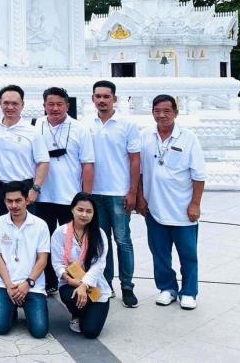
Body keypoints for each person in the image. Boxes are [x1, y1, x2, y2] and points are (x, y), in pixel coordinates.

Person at [137, 94, 206, 310]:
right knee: (160, 254)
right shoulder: (144, 136)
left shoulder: (188, 138)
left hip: (183, 211)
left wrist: (195, 204)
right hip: (154, 208)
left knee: (188, 254)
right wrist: (140, 197)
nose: (162, 115)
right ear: (152, 113)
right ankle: (167, 288)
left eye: (167, 111)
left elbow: (199, 175)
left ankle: (189, 291)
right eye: (157, 110)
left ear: (175, 112)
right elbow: (138, 172)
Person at [84, 79, 141, 308]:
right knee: (101, 242)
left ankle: (127, 286)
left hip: (119, 192)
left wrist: (133, 191)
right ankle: (105, 284)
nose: (102, 100)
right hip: (95, 193)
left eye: (106, 96)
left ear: (114, 99)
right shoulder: (86, 124)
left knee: (123, 240)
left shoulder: (127, 124)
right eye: (98, 96)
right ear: (93, 99)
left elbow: (135, 159)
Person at [34, 87, 95, 294]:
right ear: (44, 106)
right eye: (50, 104)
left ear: (67, 106)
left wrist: (85, 198)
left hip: (70, 197)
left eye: (59, 104)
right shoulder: (37, 126)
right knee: (46, 242)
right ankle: (50, 281)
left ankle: (80, 283)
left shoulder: (79, 129)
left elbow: (88, 165)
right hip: (43, 197)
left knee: (73, 244)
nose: (55, 108)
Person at [0, 181, 50, 339]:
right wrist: (9, 285)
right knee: (0, 328)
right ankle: (11, 311)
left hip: (32, 285)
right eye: (9, 201)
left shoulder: (40, 225)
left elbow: (42, 259)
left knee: (40, 331)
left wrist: (27, 284)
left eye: (18, 200)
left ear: (27, 200)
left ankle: (26, 308)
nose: (14, 205)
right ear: (4, 201)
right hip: (6, 284)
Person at [51, 193, 112, 338]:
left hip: (95, 286)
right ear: (72, 209)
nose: (84, 214)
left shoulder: (99, 234)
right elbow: (57, 263)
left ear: (93, 213)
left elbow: (99, 264)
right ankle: (77, 313)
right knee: (69, 295)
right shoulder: (60, 233)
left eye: (89, 211)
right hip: (69, 283)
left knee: (90, 332)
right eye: (80, 210)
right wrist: (71, 280)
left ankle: (89, 312)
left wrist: (83, 285)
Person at [0, 85, 49, 216]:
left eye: (15, 103)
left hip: (23, 189)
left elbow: (43, 162)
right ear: (0, 103)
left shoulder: (32, 131)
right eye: (6, 103)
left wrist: (35, 189)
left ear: (22, 104)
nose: (10, 107)